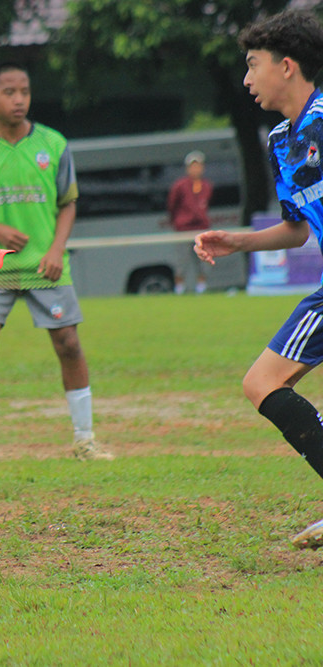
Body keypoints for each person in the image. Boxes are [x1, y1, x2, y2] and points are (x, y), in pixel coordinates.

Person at [195, 9, 323, 549]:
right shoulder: (279, 140)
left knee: (263, 382)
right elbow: (296, 230)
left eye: (253, 66)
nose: (246, 80)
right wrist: (238, 241)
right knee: (261, 383)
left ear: (287, 66)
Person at [0, 62, 113, 466]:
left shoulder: (54, 144)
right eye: (9, 92)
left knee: (69, 344)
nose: (19, 98)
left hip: (46, 265)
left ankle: (84, 440)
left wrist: (56, 249)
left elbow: (68, 204)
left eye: (24, 90)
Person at [166, 150, 214, 294]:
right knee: (182, 261)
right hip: (184, 229)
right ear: (187, 168)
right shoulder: (180, 186)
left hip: (201, 228)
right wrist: (178, 221)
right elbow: (172, 206)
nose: (196, 169)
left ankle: (201, 287)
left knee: (203, 260)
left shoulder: (207, 186)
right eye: (193, 166)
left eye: (198, 166)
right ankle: (180, 289)